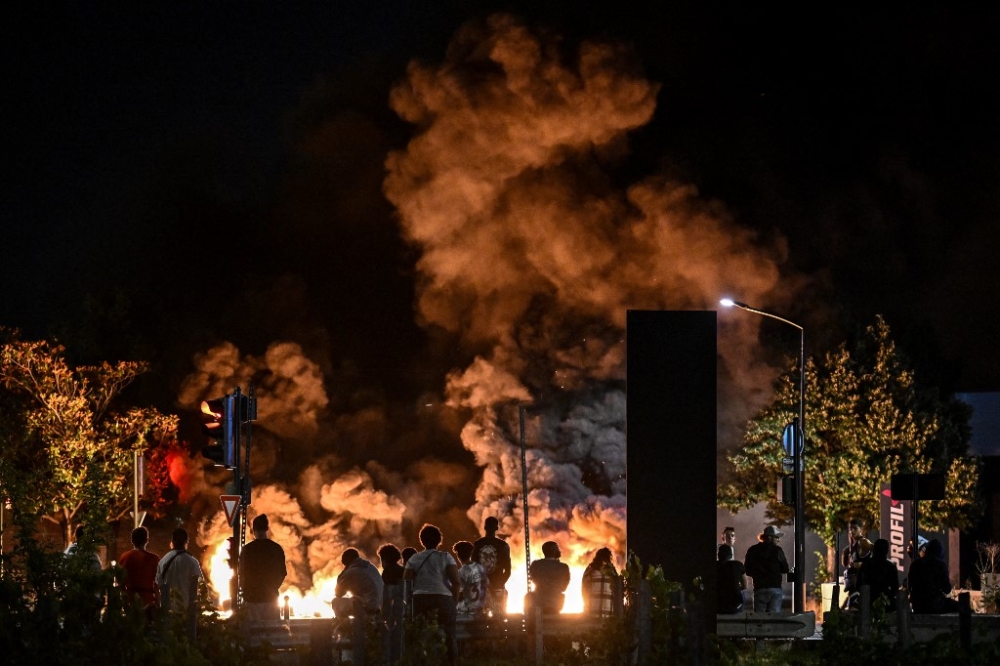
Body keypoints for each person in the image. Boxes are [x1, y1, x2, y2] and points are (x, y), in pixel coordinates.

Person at [404, 523, 461, 665]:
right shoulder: (446, 557)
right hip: (443, 598)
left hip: (420, 599)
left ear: (421, 540)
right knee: (449, 633)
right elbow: (456, 581)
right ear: (439, 540)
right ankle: (451, 661)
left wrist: (409, 601)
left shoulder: (414, 559)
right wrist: (453, 601)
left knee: (420, 634)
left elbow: (406, 581)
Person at [240, 514, 287, 624]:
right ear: (267, 529)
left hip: (251, 600)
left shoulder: (247, 549)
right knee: (271, 632)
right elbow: (282, 574)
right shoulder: (276, 549)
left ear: (253, 530)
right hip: (270, 599)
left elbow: (241, 574)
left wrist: (246, 590)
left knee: (253, 634)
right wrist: (273, 587)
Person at [156, 528, 204, 615]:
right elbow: (200, 587)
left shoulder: (163, 561)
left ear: (172, 542)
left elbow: (158, 584)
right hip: (187, 612)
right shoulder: (192, 562)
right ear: (187, 541)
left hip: (168, 612)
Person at [744, 525, 789, 612]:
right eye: (776, 537)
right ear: (769, 537)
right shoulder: (777, 550)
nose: (778, 540)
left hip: (759, 588)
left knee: (760, 620)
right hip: (775, 589)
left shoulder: (752, 550)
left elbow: (747, 570)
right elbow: (785, 569)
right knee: (773, 619)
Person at [473, 516, 511, 615]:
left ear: (484, 527)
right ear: (497, 528)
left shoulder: (477, 544)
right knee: (500, 619)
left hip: (481, 588)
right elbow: (508, 570)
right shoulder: (503, 546)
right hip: (497, 587)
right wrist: (499, 584)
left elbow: (474, 568)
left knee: (480, 620)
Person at [908, 538, 959, 613]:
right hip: (935, 604)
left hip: (917, 605)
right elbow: (947, 589)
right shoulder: (941, 565)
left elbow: (910, 586)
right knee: (961, 607)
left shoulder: (915, 564)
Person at [118, 526, 160, 615]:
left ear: (132, 540)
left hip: (130, 600)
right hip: (148, 602)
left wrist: (125, 602)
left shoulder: (124, 557)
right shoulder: (154, 559)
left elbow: (120, 583)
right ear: (147, 540)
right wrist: (159, 605)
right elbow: (157, 585)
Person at [335, 548, 385, 617]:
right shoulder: (370, 566)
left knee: (336, 602)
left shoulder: (351, 571)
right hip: (381, 605)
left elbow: (338, 594)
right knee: (356, 596)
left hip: (370, 606)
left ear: (346, 563)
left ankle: (344, 626)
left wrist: (343, 572)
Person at [378, 544, 405, 666]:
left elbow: (385, 594)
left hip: (391, 612)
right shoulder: (402, 570)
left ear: (384, 559)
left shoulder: (387, 572)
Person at [528, 541, 571, 615]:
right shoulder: (563, 567)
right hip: (556, 604)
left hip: (538, 602)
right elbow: (564, 588)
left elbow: (532, 578)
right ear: (554, 551)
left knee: (528, 597)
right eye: (558, 549)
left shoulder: (535, 564)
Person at [857, 538, 899, 611]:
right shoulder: (890, 566)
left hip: (868, 601)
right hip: (886, 602)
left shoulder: (865, 565)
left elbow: (858, 584)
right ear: (886, 551)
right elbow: (895, 587)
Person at [582, 547, 619, 618]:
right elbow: (617, 589)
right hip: (608, 613)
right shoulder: (612, 571)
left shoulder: (590, 570)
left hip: (592, 612)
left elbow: (584, 589)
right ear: (609, 557)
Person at [453, 540, 488, 616]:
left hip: (466, 612)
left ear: (458, 555)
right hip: (480, 611)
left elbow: (459, 594)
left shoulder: (462, 572)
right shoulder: (480, 568)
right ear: (471, 554)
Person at [716, 544, 747, 614]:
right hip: (735, 605)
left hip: (718, 605)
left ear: (718, 555)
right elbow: (745, 585)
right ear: (730, 555)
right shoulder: (738, 565)